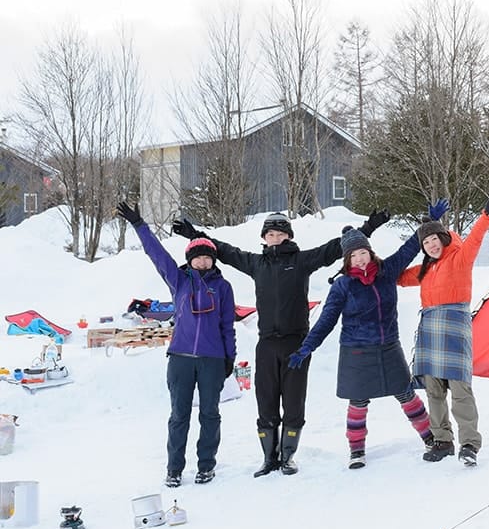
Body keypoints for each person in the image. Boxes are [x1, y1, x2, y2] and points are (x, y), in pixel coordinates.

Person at [172, 208, 390, 477]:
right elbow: (225, 252)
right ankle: (268, 458)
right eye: (270, 234)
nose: (275, 238)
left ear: (288, 236)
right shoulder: (256, 264)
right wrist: (194, 235)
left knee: (294, 402)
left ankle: (288, 457)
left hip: (296, 343)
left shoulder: (301, 261)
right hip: (266, 344)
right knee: (265, 402)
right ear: (264, 238)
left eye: (280, 233)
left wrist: (368, 227)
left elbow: (335, 249)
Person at [287, 225, 431, 469]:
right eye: (353, 256)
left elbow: (409, 250)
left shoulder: (387, 271)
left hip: (388, 345)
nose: (359, 259)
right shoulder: (343, 285)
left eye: (362, 253)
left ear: (370, 252)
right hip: (357, 349)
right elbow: (326, 320)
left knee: (406, 393)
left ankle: (430, 438)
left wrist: (427, 226)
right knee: (358, 401)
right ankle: (356, 451)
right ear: (347, 260)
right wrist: (306, 347)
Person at [116, 201, 237, 488]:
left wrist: (229, 358)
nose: (204, 261)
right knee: (179, 415)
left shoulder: (223, 287)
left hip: (211, 360)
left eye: (208, 257)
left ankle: (206, 465)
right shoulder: (179, 281)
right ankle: (174, 468)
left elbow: (227, 326)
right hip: (180, 359)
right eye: (198, 257)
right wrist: (139, 225)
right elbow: (156, 254)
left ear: (213, 260)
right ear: (190, 259)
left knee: (210, 414)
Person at [399, 195, 489, 466]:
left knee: (461, 389)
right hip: (430, 330)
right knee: (434, 391)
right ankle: (443, 441)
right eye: (425, 243)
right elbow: (398, 277)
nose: (430, 245)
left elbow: (474, 240)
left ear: (443, 238)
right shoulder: (424, 268)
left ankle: (469, 443)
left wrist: (486, 215)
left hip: (455, 329)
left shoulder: (460, 259)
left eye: (433, 239)